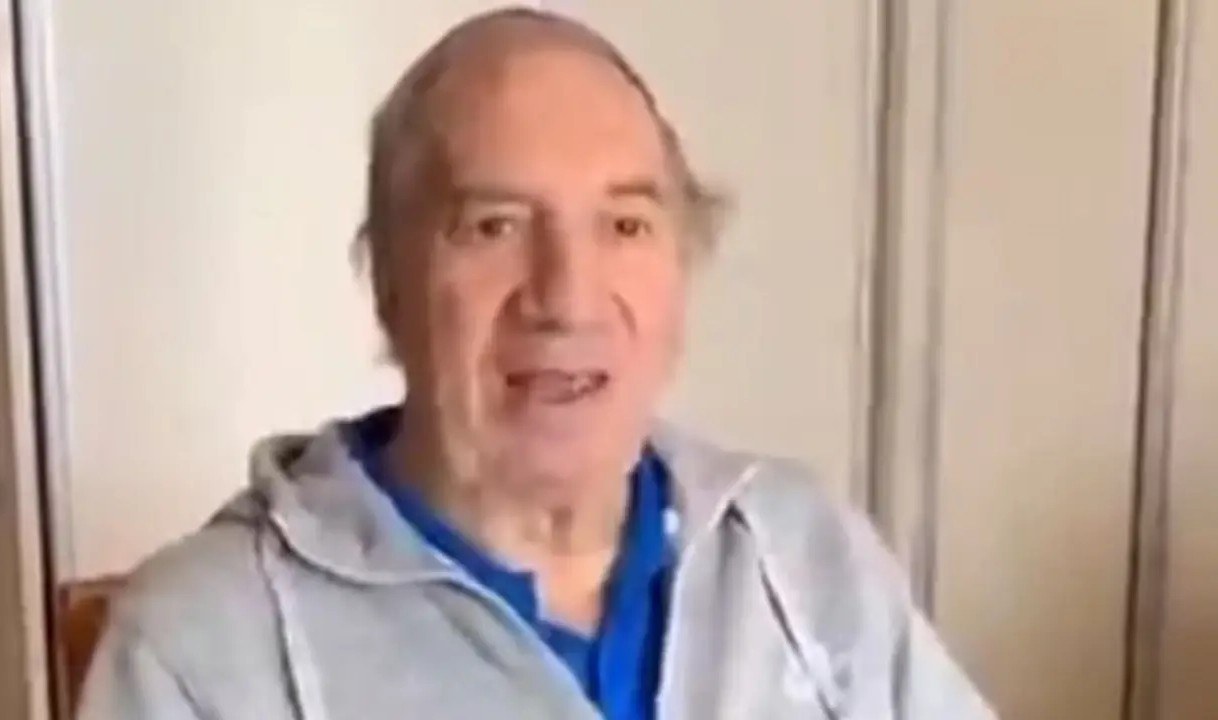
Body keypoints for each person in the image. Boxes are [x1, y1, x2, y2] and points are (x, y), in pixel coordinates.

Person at [79, 7, 996, 720]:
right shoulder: (203, 646)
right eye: (495, 227)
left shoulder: (802, 549)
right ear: (389, 281)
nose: (567, 296)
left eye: (625, 225)